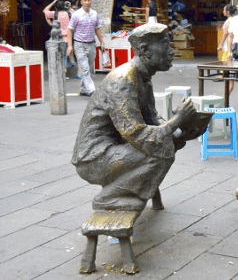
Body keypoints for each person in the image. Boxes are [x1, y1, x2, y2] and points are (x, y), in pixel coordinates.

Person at [72, 24, 203, 212]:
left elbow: (152, 120)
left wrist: (183, 131)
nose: (171, 52)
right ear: (145, 50)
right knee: (163, 147)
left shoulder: (143, 77)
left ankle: (138, 192)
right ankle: (107, 198)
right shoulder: (124, 80)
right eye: (165, 45)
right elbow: (138, 134)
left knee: (166, 142)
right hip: (94, 159)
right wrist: (176, 121)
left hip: (116, 147)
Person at [67, 0, 105, 97]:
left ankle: (83, 89)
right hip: (80, 45)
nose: (87, 2)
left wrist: (102, 42)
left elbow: (97, 28)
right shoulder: (76, 14)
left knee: (89, 67)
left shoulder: (94, 13)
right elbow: (70, 30)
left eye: (89, 0)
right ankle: (92, 89)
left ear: (91, 1)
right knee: (85, 68)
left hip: (91, 44)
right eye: (85, 0)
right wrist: (70, 45)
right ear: (81, 2)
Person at [43, 0, 71, 79]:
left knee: (56, 56)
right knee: (64, 56)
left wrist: (52, 2)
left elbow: (45, 10)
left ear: (55, 7)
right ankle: (63, 71)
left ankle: (58, 72)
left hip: (56, 38)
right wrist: (68, 8)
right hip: (66, 39)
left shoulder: (54, 14)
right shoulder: (69, 13)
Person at [66, 0, 82, 79]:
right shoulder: (81, 11)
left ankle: (72, 61)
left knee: (68, 46)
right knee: (79, 53)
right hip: (79, 33)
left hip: (69, 32)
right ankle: (79, 73)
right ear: (77, 2)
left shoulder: (66, 11)